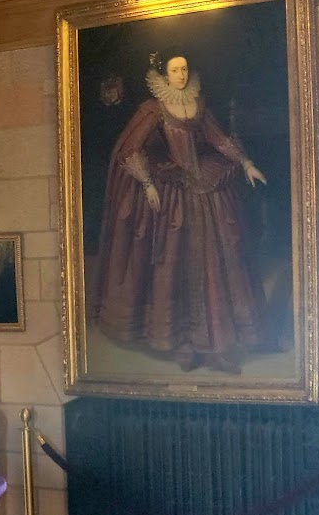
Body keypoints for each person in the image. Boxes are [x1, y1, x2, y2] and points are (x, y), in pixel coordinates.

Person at [91, 53, 267, 372]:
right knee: (174, 268)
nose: (181, 74)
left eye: (184, 68)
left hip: (206, 191)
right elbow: (130, 148)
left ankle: (216, 343)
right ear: (164, 74)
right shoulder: (153, 108)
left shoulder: (198, 104)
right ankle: (183, 343)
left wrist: (246, 163)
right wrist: (147, 183)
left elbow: (218, 139)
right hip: (173, 195)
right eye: (175, 70)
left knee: (216, 264)